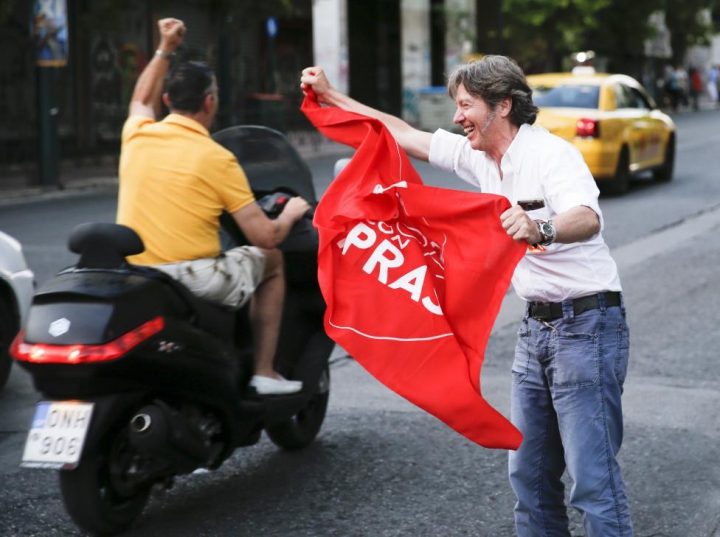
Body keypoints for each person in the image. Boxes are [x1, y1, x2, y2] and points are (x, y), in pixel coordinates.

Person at [301, 56, 633, 536]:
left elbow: (587, 217)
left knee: (592, 481)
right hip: (536, 329)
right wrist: (331, 97)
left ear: (503, 105)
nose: (457, 118)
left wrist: (539, 226)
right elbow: (399, 132)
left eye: (465, 105)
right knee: (530, 477)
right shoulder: (479, 156)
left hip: (588, 329)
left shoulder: (552, 155)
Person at [117, 18, 311, 395]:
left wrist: (164, 47)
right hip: (191, 277)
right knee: (271, 262)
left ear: (169, 101)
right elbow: (264, 235)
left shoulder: (137, 135)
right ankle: (264, 372)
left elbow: (140, 99)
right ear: (210, 102)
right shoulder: (215, 157)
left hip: (137, 274)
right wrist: (289, 213)